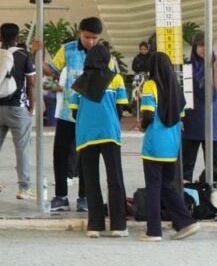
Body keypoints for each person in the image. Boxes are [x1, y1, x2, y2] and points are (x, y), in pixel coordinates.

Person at [32, 16, 110, 213]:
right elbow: (50, 71)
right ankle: (61, 196)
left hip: (90, 114)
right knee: (60, 152)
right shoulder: (68, 49)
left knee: (87, 155)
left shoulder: (103, 53)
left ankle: (84, 197)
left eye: (94, 38)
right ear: (79, 33)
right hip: (67, 112)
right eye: (87, 37)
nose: (90, 42)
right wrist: (37, 56)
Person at [67, 43, 129, 238]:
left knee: (91, 180)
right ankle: (118, 226)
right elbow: (120, 109)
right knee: (115, 179)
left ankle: (95, 226)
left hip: (86, 135)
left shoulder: (79, 82)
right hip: (109, 133)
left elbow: (74, 112)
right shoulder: (116, 79)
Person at [138, 52, 200, 242]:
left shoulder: (150, 86)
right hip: (172, 146)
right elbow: (180, 118)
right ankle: (186, 222)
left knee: (153, 188)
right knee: (167, 186)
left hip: (154, 145)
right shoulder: (176, 89)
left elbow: (148, 115)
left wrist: (141, 125)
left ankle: (154, 231)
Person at [181, 32, 217, 182]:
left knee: (213, 169)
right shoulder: (186, 68)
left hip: (213, 122)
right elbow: (179, 96)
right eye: (200, 45)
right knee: (186, 167)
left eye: (207, 45)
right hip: (190, 122)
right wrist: (178, 118)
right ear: (194, 47)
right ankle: (186, 194)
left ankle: (211, 195)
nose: (203, 49)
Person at [0, 22, 36, 199]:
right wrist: (32, 107)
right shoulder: (23, 55)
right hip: (17, 108)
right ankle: (24, 188)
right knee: (22, 149)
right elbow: (31, 83)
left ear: (0, 37)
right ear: (17, 37)